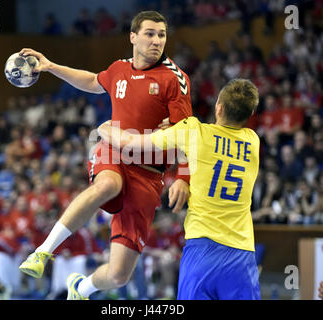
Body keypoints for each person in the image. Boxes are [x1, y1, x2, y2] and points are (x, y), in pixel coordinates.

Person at [18, 10, 192, 300]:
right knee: (108, 185)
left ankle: (81, 288)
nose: (157, 41)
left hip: (149, 174)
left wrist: (183, 178)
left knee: (118, 275)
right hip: (113, 149)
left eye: (161, 35)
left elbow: (186, 132)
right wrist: (50, 66)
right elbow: (91, 81)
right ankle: (42, 252)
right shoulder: (119, 68)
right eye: (149, 34)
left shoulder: (175, 79)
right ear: (133, 37)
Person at [99, 78, 261, 299]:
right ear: (250, 114)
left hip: (202, 250)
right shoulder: (253, 141)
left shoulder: (194, 131)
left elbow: (130, 143)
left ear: (219, 107)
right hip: (242, 254)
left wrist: (105, 128)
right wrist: (183, 178)